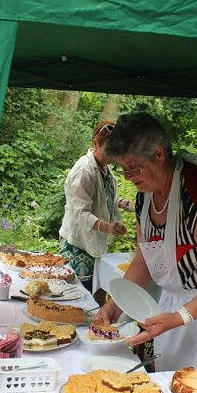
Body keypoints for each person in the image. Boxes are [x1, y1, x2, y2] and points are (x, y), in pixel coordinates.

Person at [95, 112, 197, 371]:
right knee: (173, 385)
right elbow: (144, 261)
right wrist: (114, 306)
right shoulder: (146, 195)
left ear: (159, 154)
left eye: (134, 167)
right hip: (175, 308)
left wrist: (179, 316)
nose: (128, 177)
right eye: (123, 168)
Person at [59, 120, 132, 296]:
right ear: (95, 143)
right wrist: (108, 226)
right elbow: (80, 212)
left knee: (96, 291)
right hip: (77, 245)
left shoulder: (103, 168)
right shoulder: (85, 170)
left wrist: (124, 203)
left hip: (93, 242)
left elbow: (103, 197)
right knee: (79, 296)